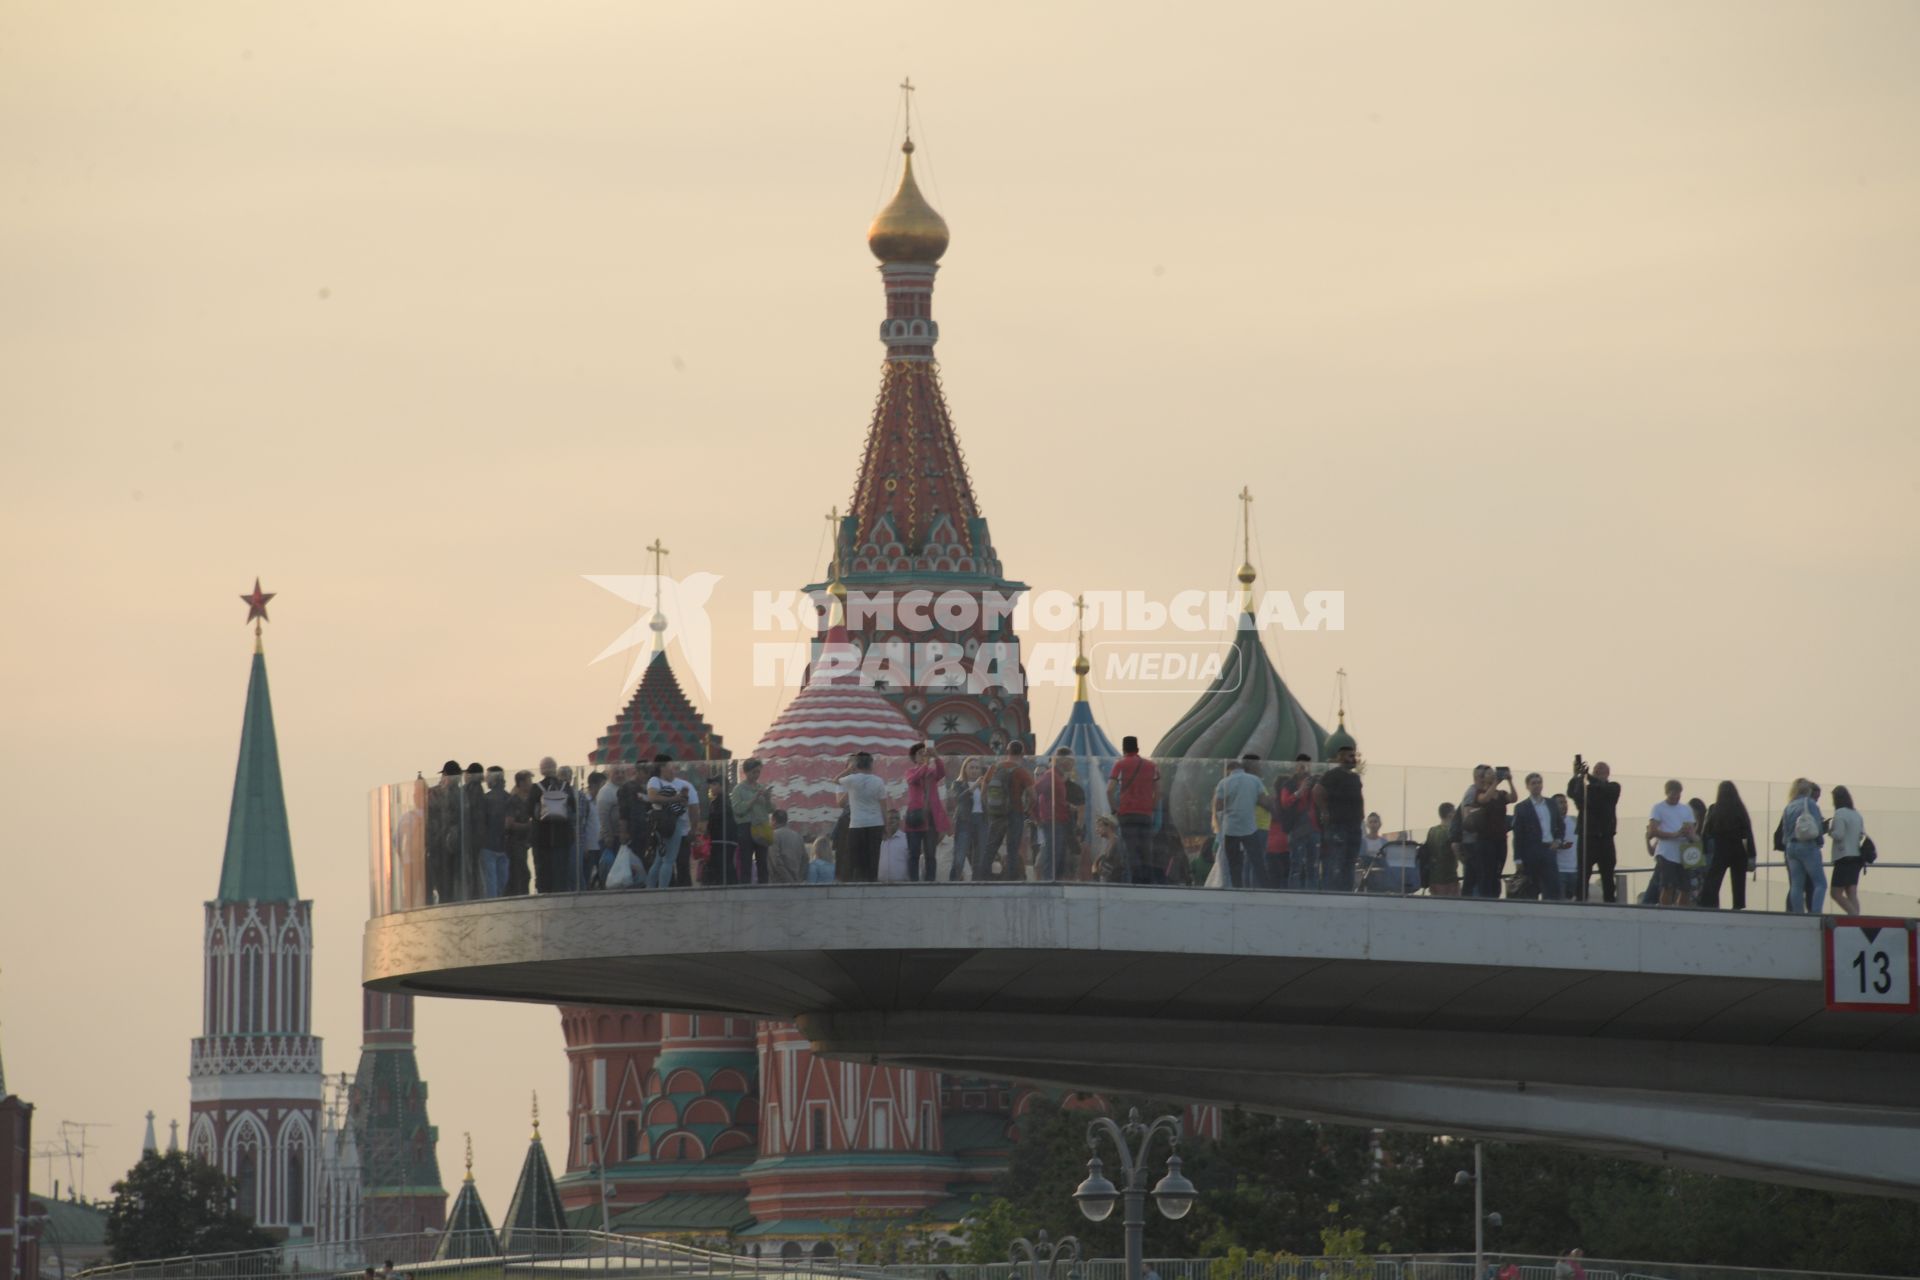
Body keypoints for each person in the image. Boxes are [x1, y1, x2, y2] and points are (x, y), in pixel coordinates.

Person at [1108, 737, 1162, 885]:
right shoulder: (1152, 766)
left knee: (1131, 849)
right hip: (1145, 814)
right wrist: (1152, 808)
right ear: (1138, 749)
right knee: (1146, 848)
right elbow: (1158, 792)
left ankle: (1135, 881)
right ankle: (1147, 881)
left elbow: (1109, 790)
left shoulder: (1120, 765)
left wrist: (1114, 809)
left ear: (1124, 749)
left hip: (1126, 813)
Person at [1567, 758, 1621, 903]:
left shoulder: (1613, 788)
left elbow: (1603, 788)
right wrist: (1577, 775)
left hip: (1606, 838)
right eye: (1595, 771)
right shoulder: (1587, 790)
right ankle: (1581, 901)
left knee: (1608, 875)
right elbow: (1572, 793)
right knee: (1583, 874)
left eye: (1601, 771)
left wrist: (1588, 776)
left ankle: (1610, 902)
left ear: (1608, 773)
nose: (1598, 774)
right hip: (1587, 838)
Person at [980, 741, 1036, 880]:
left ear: (1007, 752)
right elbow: (1033, 795)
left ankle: (982, 877)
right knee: (1012, 848)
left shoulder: (994, 768)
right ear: (1022, 753)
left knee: (991, 846)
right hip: (1015, 813)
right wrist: (1027, 810)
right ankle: (1011, 879)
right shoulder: (1022, 771)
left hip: (996, 813)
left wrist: (989, 808)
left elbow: (983, 791)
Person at [1314, 742, 1365, 892]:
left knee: (1350, 861)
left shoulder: (1355, 777)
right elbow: (1317, 791)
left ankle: (1346, 890)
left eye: (1354, 755)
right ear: (1341, 757)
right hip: (1338, 825)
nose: (1353, 759)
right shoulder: (1333, 775)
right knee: (1337, 859)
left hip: (1354, 825)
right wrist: (1325, 811)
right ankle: (1332, 891)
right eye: (1350, 756)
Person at [1698, 780, 1756, 910]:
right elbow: (1748, 833)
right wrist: (1752, 855)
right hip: (1738, 849)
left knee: (1714, 879)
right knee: (1738, 880)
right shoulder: (1740, 809)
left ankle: (1709, 905)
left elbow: (1706, 831)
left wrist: (1704, 851)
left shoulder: (1715, 809)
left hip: (1720, 849)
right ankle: (1738, 906)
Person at [1212, 755, 1267, 888]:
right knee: (1257, 860)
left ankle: (1237, 888)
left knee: (1234, 862)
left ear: (1229, 770)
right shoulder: (1255, 780)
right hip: (1250, 827)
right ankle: (1265, 888)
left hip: (1231, 828)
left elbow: (1218, 806)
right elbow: (1263, 800)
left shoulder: (1224, 782)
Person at [1510, 772, 1566, 901]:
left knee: (1552, 888)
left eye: (1539, 783)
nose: (1537, 786)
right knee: (1531, 888)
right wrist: (1517, 859)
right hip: (1531, 852)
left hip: (1549, 850)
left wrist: (1558, 840)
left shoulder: (1551, 804)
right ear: (1528, 786)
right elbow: (1518, 835)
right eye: (1533, 783)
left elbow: (1560, 825)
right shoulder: (1521, 807)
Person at [645, 756, 698, 890]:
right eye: (670, 766)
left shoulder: (674, 784)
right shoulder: (655, 781)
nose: (673, 769)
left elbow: (689, 806)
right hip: (671, 824)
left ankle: (650, 887)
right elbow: (652, 797)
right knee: (668, 860)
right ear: (662, 767)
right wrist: (677, 798)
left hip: (666, 824)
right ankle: (662, 888)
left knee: (659, 859)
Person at [1462, 766, 1515, 900]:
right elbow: (1484, 799)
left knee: (1497, 872)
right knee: (1486, 872)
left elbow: (1513, 798)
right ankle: (1486, 898)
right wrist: (1496, 782)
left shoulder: (1501, 794)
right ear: (1484, 777)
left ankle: (1495, 896)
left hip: (1500, 839)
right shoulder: (1479, 792)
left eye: (1493, 773)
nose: (1493, 775)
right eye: (1489, 773)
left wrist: (1510, 781)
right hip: (1485, 840)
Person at [1033, 747, 1084, 881]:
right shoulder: (1050, 776)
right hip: (1052, 822)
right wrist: (1037, 817)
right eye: (1070, 760)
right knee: (1052, 855)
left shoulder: (1057, 777)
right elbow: (1033, 792)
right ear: (1062, 761)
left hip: (1059, 821)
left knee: (1060, 856)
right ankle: (1048, 881)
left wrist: (1067, 806)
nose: (1073, 764)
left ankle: (1055, 880)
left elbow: (1055, 799)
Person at [838, 752, 890, 883]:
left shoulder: (852, 779)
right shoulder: (878, 781)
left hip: (857, 824)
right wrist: (886, 825)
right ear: (871, 765)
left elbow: (835, 780)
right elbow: (883, 806)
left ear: (858, 764)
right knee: (873, 857)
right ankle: (872, 881)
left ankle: (858, 882)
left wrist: (849, 770)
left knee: (856, 857)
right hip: (875, 823)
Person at [902, 744, 950, 883]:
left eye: (925, 753)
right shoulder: (910, 771)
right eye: (920, 754)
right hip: (916, 816)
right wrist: (924, 765)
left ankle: (930, 882)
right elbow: (914, 779)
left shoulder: (931, 772)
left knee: (930, 854)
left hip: (930, 818)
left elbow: (941, 773)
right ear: (914, 758)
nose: (923, 755)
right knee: (914, 853)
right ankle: (913, 881)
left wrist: (935, 756)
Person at [530, 757, 577, 894]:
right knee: (561, 873)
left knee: (543, 873)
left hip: (542, 839)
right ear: (555, 769)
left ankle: (544, 899)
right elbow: (573, 809)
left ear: (541, 769)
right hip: (562, 837)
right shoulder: (565, 787)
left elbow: (529, 810)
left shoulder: (536, 788)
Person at [1646, 779, 1696, 907]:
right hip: (1666, 852)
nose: (1676, 796)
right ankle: (1665, 910)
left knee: (1686, 888)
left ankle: (1681, 912)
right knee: (1668, 886)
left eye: (1678, 793)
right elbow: (1653, 830)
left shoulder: (1686, 809)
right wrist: (1674, 835)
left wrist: (1689, 834)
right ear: (1667, 793)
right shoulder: (1658, 808)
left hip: (1683, 852)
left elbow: (1691, 828)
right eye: (1673, 793)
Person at [1782, 778, 1827, 915]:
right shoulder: (1810, 804)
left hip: (1791, 847)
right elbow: (1817, 827)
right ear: (1807, 790)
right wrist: (1820, 842)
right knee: (1820, 883)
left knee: (1796, 885)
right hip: (1807, 846)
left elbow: (1785, 833)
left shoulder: (1789, 806)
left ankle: (1798, 915)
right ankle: (1815, 914)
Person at [729, 760, 775, 885]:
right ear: (746, 772)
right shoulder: (738, 789)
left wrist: (767, 798)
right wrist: (754, 798)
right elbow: (738, 809)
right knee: (746, 862)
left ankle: (763, 888)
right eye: (754, 772)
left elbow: (771, 809)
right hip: (746, 827)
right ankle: (745, 888)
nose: (756, 775)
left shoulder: (761, 787)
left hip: (761, 826)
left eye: (758, 772)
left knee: (762, 862)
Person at [1276, 755, 1319, 889]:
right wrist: (1299, 792)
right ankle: (1295, 893)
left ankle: (1311, 892)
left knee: (1313, 864)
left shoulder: (1316, 782)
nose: (1304, 769)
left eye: (1306, 765)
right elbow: (1285, 802)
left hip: (1314, 826)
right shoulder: (1289, 784)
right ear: (1295, 767)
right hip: (1296, 827)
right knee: (1296, 863)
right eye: (1301, 766)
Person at [947, 757, 988, 880]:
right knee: (959, 857)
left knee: (980, 858)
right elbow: (958, 799)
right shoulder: (958, 784)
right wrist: (974, 785)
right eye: (971, 767)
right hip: (965, 821)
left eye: (977, 768)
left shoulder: (984, 784)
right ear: (964, 769)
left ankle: (977, 885)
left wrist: (984, 788)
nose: (974, 770)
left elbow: (989, 804)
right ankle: (953, 884)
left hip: (982, 821)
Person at [1827, 785, 1865, 917]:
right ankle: (1856, 920)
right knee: (1851, 891)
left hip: (1843, 857)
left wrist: (1829, 831)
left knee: (1835, 892)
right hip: (1857, 857)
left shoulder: (1840, 813)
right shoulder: (1856, 814)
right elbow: (1861, 834)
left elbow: (1839, 834)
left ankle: (1853, 915)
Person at [479, 766, 513, 898]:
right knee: (500, 884)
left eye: (487, 777)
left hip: (488, 846)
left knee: (490, 884)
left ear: (492, 780)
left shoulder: (486, 799)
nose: (485, 780)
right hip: (503, 846)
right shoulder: (508, 797)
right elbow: (509, 823)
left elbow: (481, 823)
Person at [593, 762, 627, 888]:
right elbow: (603, 816)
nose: (620, 775)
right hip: (611, 839)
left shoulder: (623, 788)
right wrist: (608, 836)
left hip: (622, 837)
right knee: (611, 870)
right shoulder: (606, 791)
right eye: (616, 773)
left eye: (622, 772)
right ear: (609, 774)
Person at [505, 769, 537, 896]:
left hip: (525, 844)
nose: (531, 783)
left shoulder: (530, 799)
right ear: (522, 783)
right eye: (529, 780)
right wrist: (526, 826)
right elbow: (508, 824)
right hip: (515, 844)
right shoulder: (513, 801)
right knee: (521, 874)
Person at [1421, 802, 1460, 897]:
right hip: (1449, 877)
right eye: (1454, 811)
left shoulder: (1432, 831)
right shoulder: (1450, 831)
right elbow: (1455, 849)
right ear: (1450, 814)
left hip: (1434, 878)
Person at [767, 808, 808, 884]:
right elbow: (805, 859)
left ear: (774, 821)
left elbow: (776, 861)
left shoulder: (773, 835)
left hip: (778, 883)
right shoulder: (798, 836)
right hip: (796, 881)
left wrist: (789, 880)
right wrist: (798, 878)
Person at [1552, 795, 1579, 900]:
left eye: (1565, 802)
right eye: (1560, 803)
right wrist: (1559, 845)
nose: (1564, 805)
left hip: (1575, 870)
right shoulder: (1550, 823)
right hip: (1559, 871)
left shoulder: (1574, 820)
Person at [877, 809, 911, 882]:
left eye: (896, 818)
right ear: (886, 821)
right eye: (891, 818)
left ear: (899, 821)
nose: (893, 820)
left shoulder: (906, 839)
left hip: (902, 885)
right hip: (880, 885)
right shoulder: (880, 840)